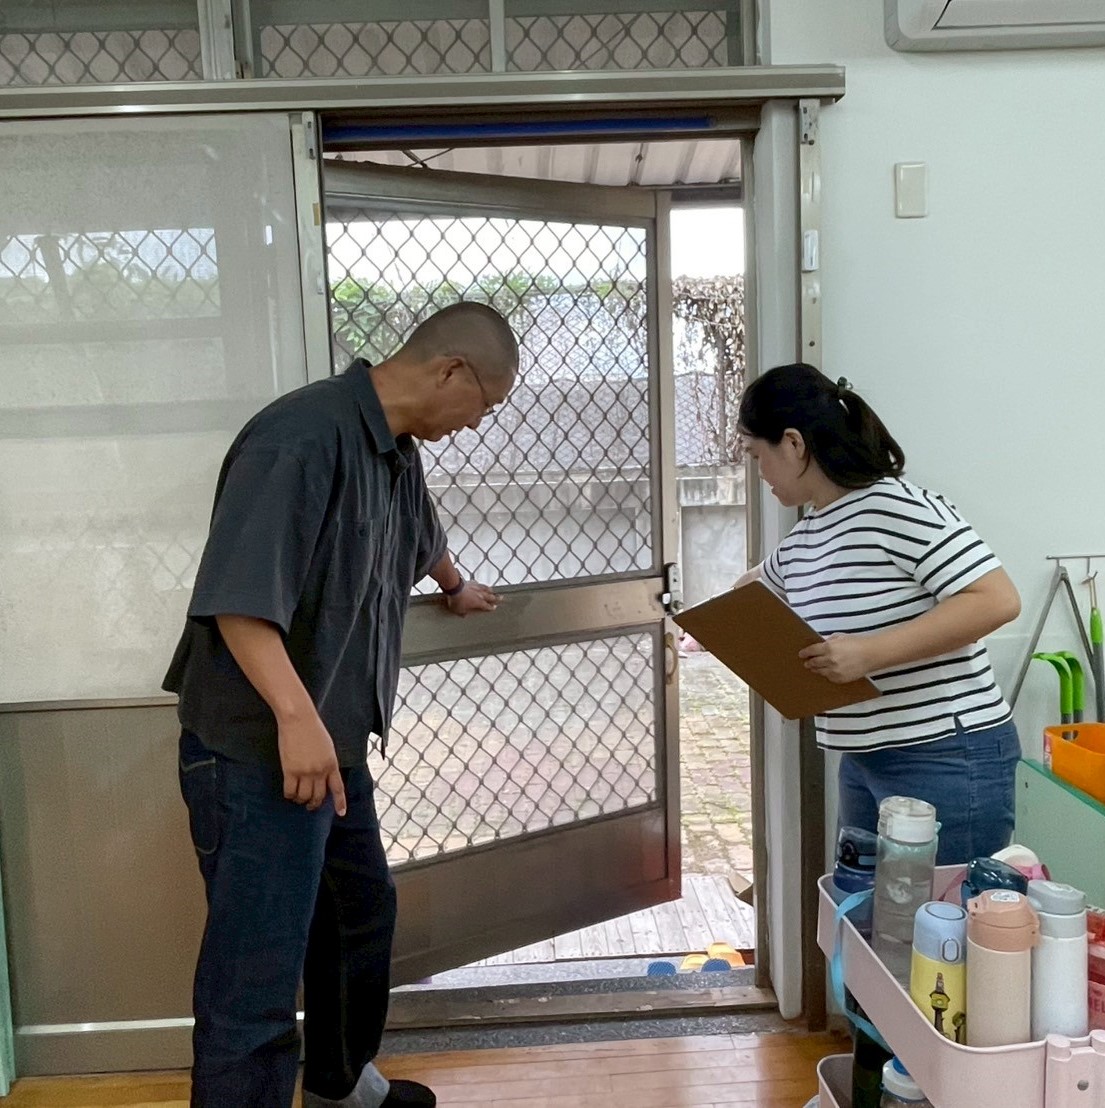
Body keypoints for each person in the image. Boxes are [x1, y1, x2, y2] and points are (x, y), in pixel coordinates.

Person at [163, 302, 519, 1108]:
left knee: (359, 915)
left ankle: (337, 1084)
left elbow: (418, 536)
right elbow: (237, 603)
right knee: (254, 981)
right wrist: (296, 721)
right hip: (258, 749)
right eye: (485, 404)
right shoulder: (299, 438)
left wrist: (456, 586)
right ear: (451, 371)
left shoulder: (394, 449)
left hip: (331, 744)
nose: (476, 423)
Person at [734, 363, 1022, 865]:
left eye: (758, 455)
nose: (759, 473)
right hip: (864, 757)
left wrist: (868, 653)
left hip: (944, 755)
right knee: (868, 908)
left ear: (794, 443)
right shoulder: (808, 535)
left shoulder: (896, 507)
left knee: (944, 910)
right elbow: (748, 594)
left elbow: (995, 599)